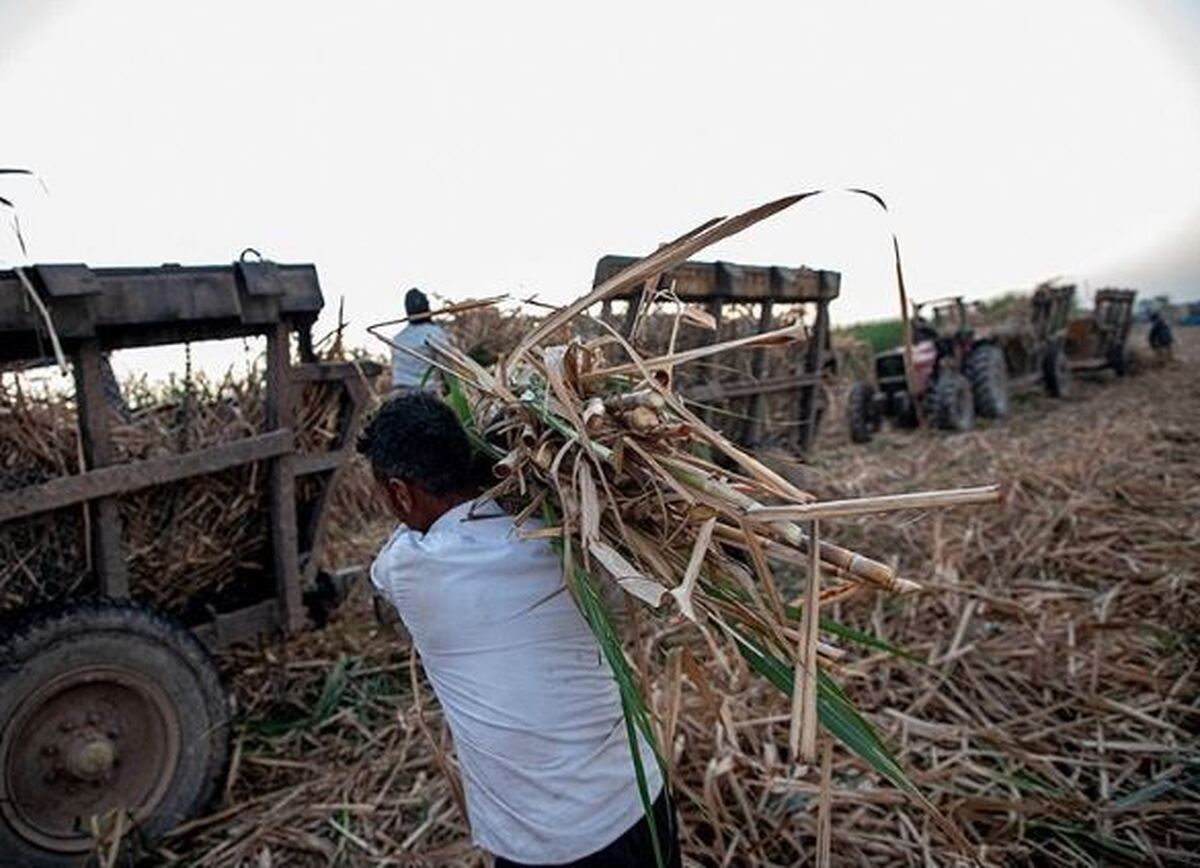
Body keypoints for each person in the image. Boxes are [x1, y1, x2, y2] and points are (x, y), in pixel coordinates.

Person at [359, 393, 681, 868]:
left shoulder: (410, 570)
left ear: (401, 493)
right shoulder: (569, 540)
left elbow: (386, 564)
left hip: (550, 844)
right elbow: (619, 596)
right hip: (641, 799)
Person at [391, 287, 451, 392]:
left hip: (400, 392)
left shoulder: (397, 339)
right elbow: (447, 365)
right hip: (428, 393)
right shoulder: (434, 334)